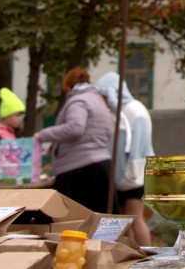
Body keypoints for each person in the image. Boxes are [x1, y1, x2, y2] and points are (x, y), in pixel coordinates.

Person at [36, 67, 116, 213]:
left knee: (76, 221)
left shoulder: (78, 101)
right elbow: (109, 130)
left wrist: (43, 135)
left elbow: (75, 128)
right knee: (101, 222)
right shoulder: (98, 101)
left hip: (79, 170)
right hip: (102, 166)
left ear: (68, 86)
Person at [96, 72, 155, 247]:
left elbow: (138, 147)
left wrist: (132, 175)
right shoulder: (117, 113)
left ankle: (148, 258)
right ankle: (129, 256)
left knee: (136, 218)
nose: (104, 101)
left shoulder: (135, 110)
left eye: (105, 96)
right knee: (123, 222)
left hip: (134, 177)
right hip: (121, 178)